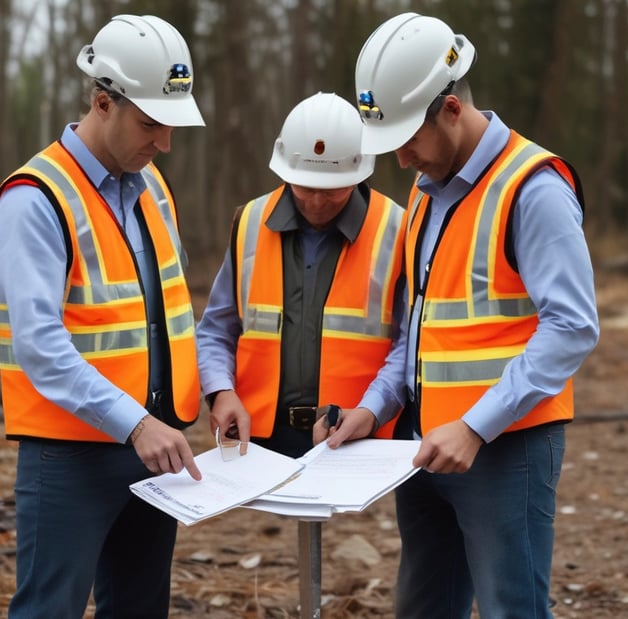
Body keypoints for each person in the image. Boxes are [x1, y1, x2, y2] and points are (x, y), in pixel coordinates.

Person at [317, 13, 601, 618]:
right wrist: (375, 408)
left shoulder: (533, 190)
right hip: (424, 446)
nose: (401, 159)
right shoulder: (427, 192)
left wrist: (475, 427)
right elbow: (419, 327)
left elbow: (573, 327)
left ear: (450, 109)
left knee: (511, 608)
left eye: (407, 140)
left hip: (505, 450)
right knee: (424, 606)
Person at [0, 14, 205, 619]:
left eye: (171, 125)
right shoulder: (35, 199)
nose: (164, 143)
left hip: (155, 442)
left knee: (139, 608)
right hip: (71, 454)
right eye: (151, 124)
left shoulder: (152, 186)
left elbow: (168, 313)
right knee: (49, 609)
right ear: (103, 102)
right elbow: (39, 345)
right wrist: (135, 425)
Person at [196, 92, 407, 458]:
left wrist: (372, 409)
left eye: (332, 191)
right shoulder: (249, 223)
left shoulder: (397, 229)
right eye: (307, 189)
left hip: (360, 439)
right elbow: (216, 329)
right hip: (260, 440)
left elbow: (409, 344)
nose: (318, 202)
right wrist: (220, 390)